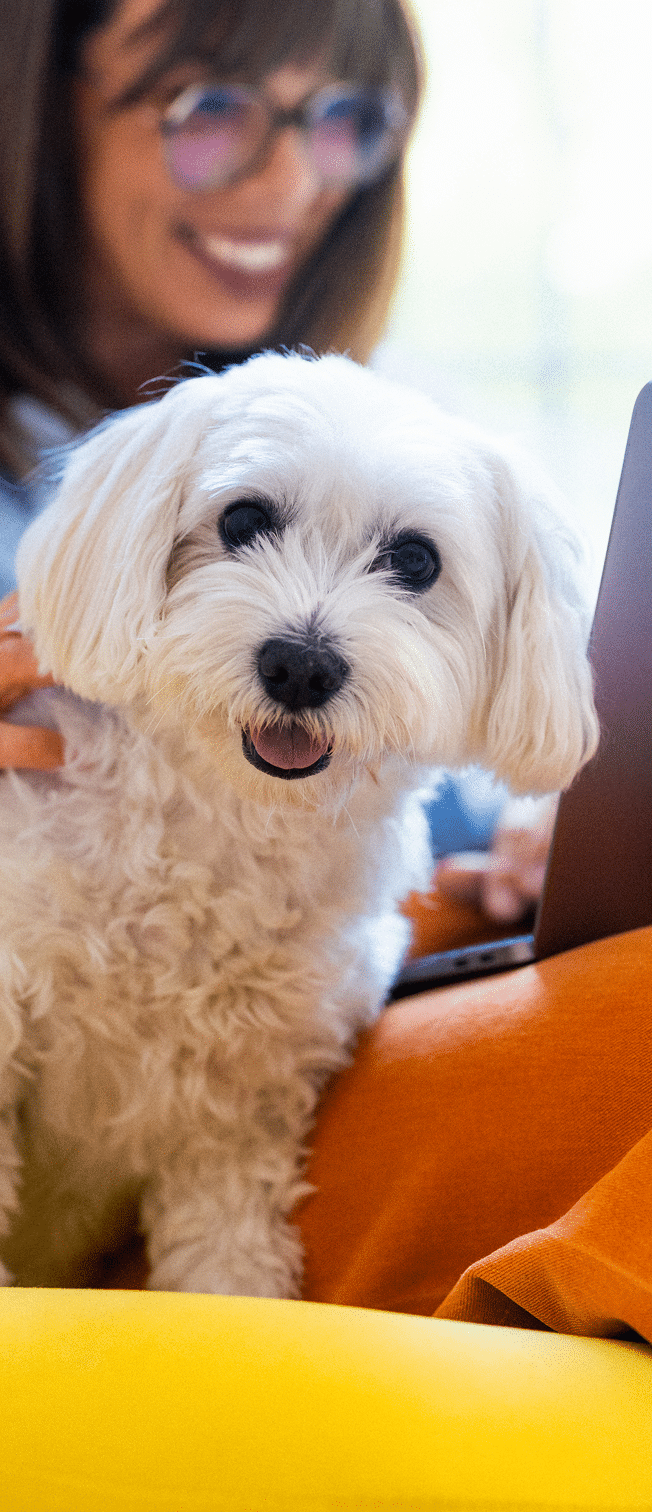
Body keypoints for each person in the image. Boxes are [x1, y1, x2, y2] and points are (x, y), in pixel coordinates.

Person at [1, 0, 650, 1341]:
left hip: (284, 1089)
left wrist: (534, 849)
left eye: (342, 120)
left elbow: (462, 799)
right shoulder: (123, 491)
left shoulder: (377, 427)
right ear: (42, 98)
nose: (292, 178)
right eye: (212, 108)